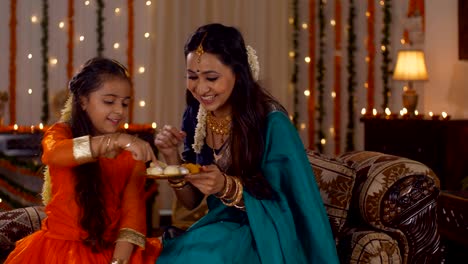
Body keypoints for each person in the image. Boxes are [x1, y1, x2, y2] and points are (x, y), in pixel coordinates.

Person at [154, 23, 339, 263]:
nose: (200, 88)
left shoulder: (271, 123)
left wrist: (226, 187)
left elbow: (286, 203)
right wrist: (171, 157)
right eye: (192, 77)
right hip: (218, 227)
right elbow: (191, 202)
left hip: (266, 235)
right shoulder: (195, 116)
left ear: (239, 73)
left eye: (211, 77)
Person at [5, 57, 162, 264]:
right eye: (109, 101)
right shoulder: (61, 133)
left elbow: (131, 220)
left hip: (111, 254)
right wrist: (112, 141)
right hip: (54, 252)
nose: (119, 111)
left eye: (125, 103)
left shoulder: (130, 154)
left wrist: (118, 262)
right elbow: (54, 154)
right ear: (83, 100)